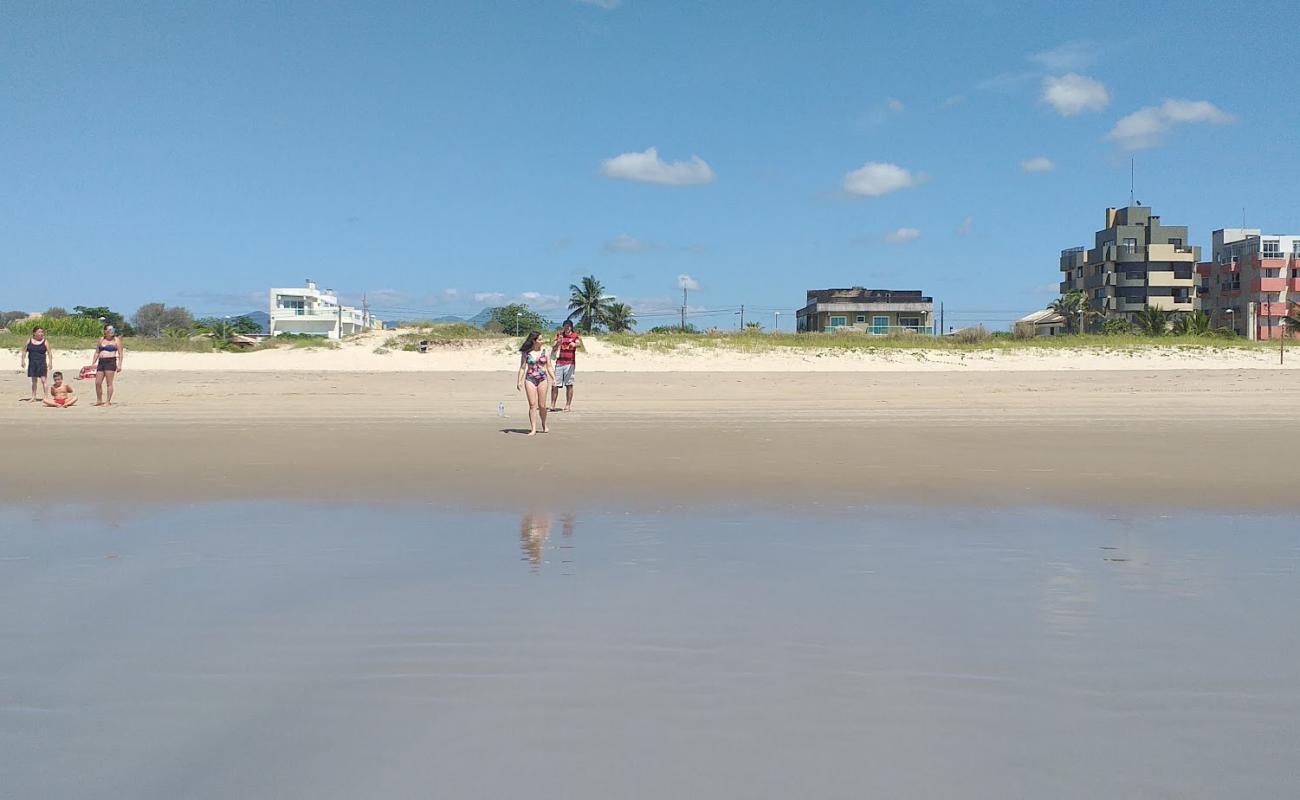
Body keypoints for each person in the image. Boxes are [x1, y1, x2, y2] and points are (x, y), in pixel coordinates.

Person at [515, 331, 554, 435]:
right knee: (532, 405)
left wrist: (554, 378)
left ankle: (544, 424)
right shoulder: (526, 353)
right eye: (540, 339)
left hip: (542, 378)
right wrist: (519, 381)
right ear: (534, 341)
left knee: (542, 405)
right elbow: (523, 368)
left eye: (542, 339)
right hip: (530, 379)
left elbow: (549, 366)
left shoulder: (546, 352)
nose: (542, 341)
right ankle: (533, 428)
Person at [550, 320, 581, 412]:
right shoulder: (559, 335)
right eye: (565, 326)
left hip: (570, 363)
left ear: (571, 327)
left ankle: (568, 405)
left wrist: (574, 344)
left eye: (569, 326)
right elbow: (553, 347)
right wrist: (558, 343)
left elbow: (579, 344)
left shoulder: (574, 335)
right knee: (555, 384)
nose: (567, 328)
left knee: (569, 384)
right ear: (563, 327)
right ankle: (552, 405)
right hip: (559, 362)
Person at [91, 324, 124, 406]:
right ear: (105, 331)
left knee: (109, 383)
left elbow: (120, 353)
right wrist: (93, 363)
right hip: (101, 362)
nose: (111, 331)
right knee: (97, 382)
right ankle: (99, 400)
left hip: (111, 361)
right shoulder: (101, 339)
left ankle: (108, 401)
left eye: (112, 329)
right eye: (109, 330)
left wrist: (119, 365)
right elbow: (97, 352)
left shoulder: (116, 340)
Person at [20, 327, 51, 402]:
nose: (41, 333)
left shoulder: (45, 341)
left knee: (44, 380)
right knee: (34, 381)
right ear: (34, 333)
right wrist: (23, 361)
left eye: (42, 332)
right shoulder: (29, 341)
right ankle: (33, 397)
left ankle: (46, 397)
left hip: (42, 363)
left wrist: (50, 362)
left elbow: (49, 353)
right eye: (39, 332)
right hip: (32, 363)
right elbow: (24, 351)